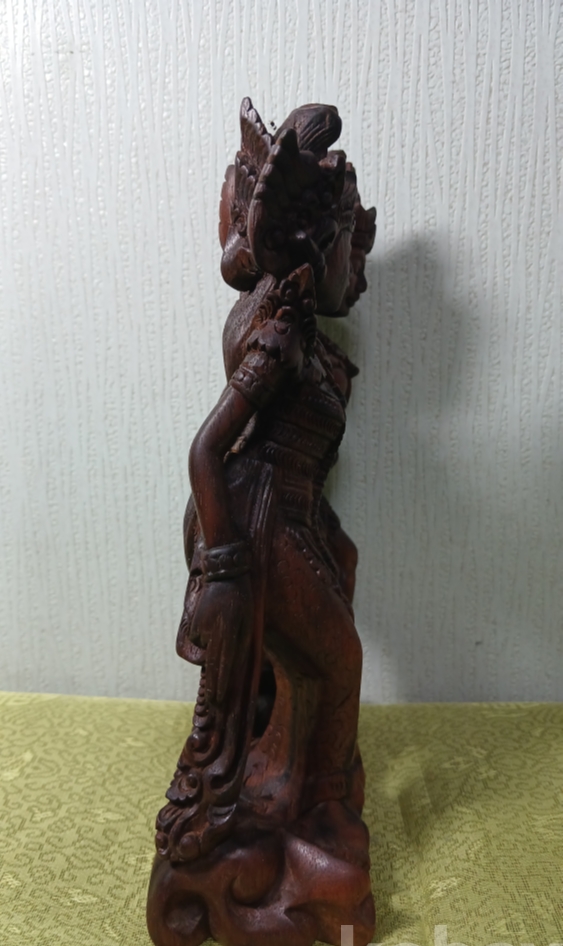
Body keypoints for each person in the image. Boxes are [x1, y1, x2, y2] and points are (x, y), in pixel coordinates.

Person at [153, 99, 376, 878]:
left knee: (310, 666)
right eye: (352, 247)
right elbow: (207, 448)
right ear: (316, 243)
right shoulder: (277, 334)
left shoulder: (302, 334)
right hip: (250, 520)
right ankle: (318, 816)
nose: (361, 275)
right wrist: (223, 569)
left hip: (284, 515)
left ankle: (299, 788)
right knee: (337, 662)